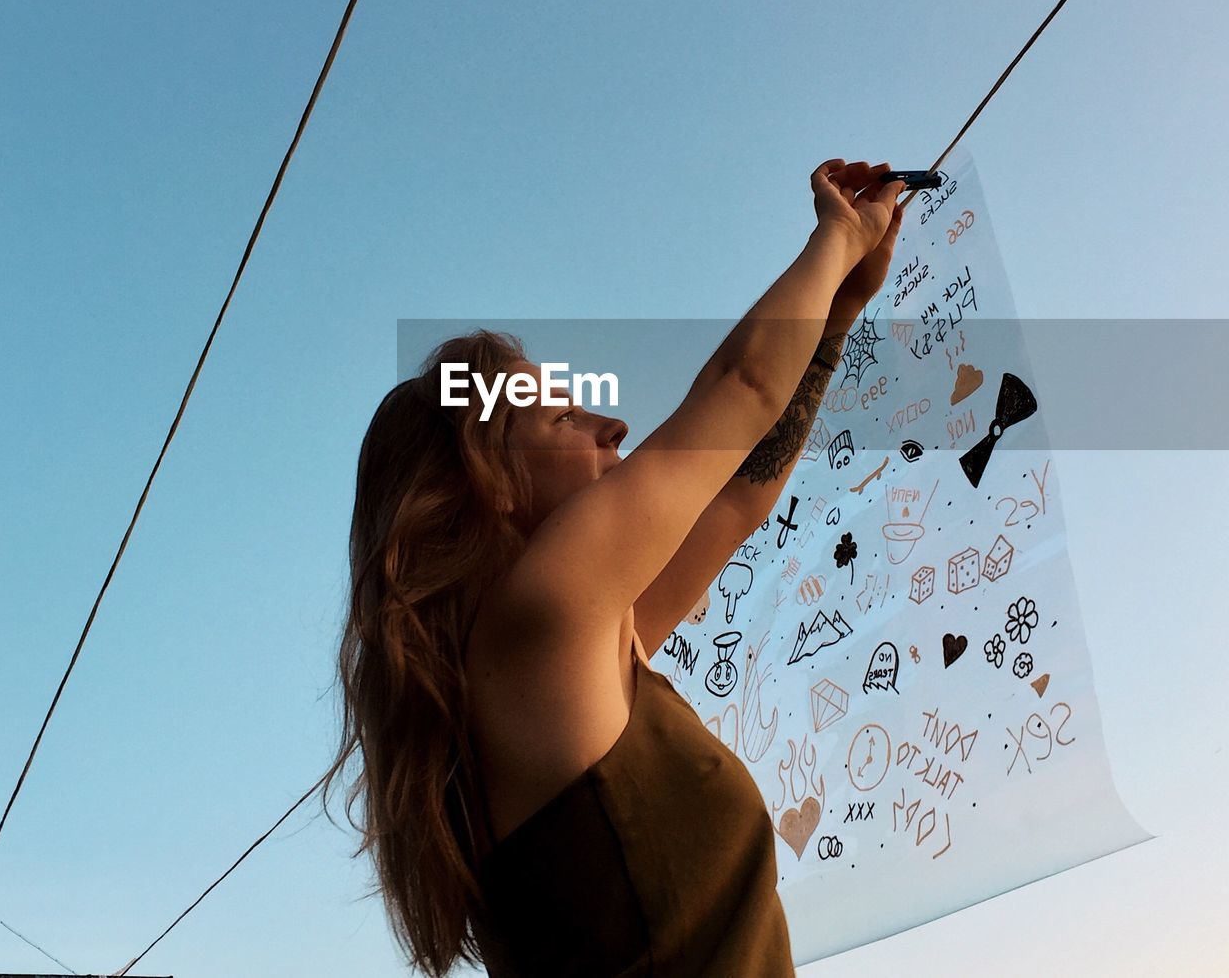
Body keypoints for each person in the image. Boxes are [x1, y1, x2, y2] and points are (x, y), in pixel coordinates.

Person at [322, 160, 908, 977]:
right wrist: (838, 235)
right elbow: (742, 387)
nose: (612, 423)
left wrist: (839, 310)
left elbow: (736, 500)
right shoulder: (540, 625)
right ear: (485, 478)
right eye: (562, 413)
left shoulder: (573, 648)